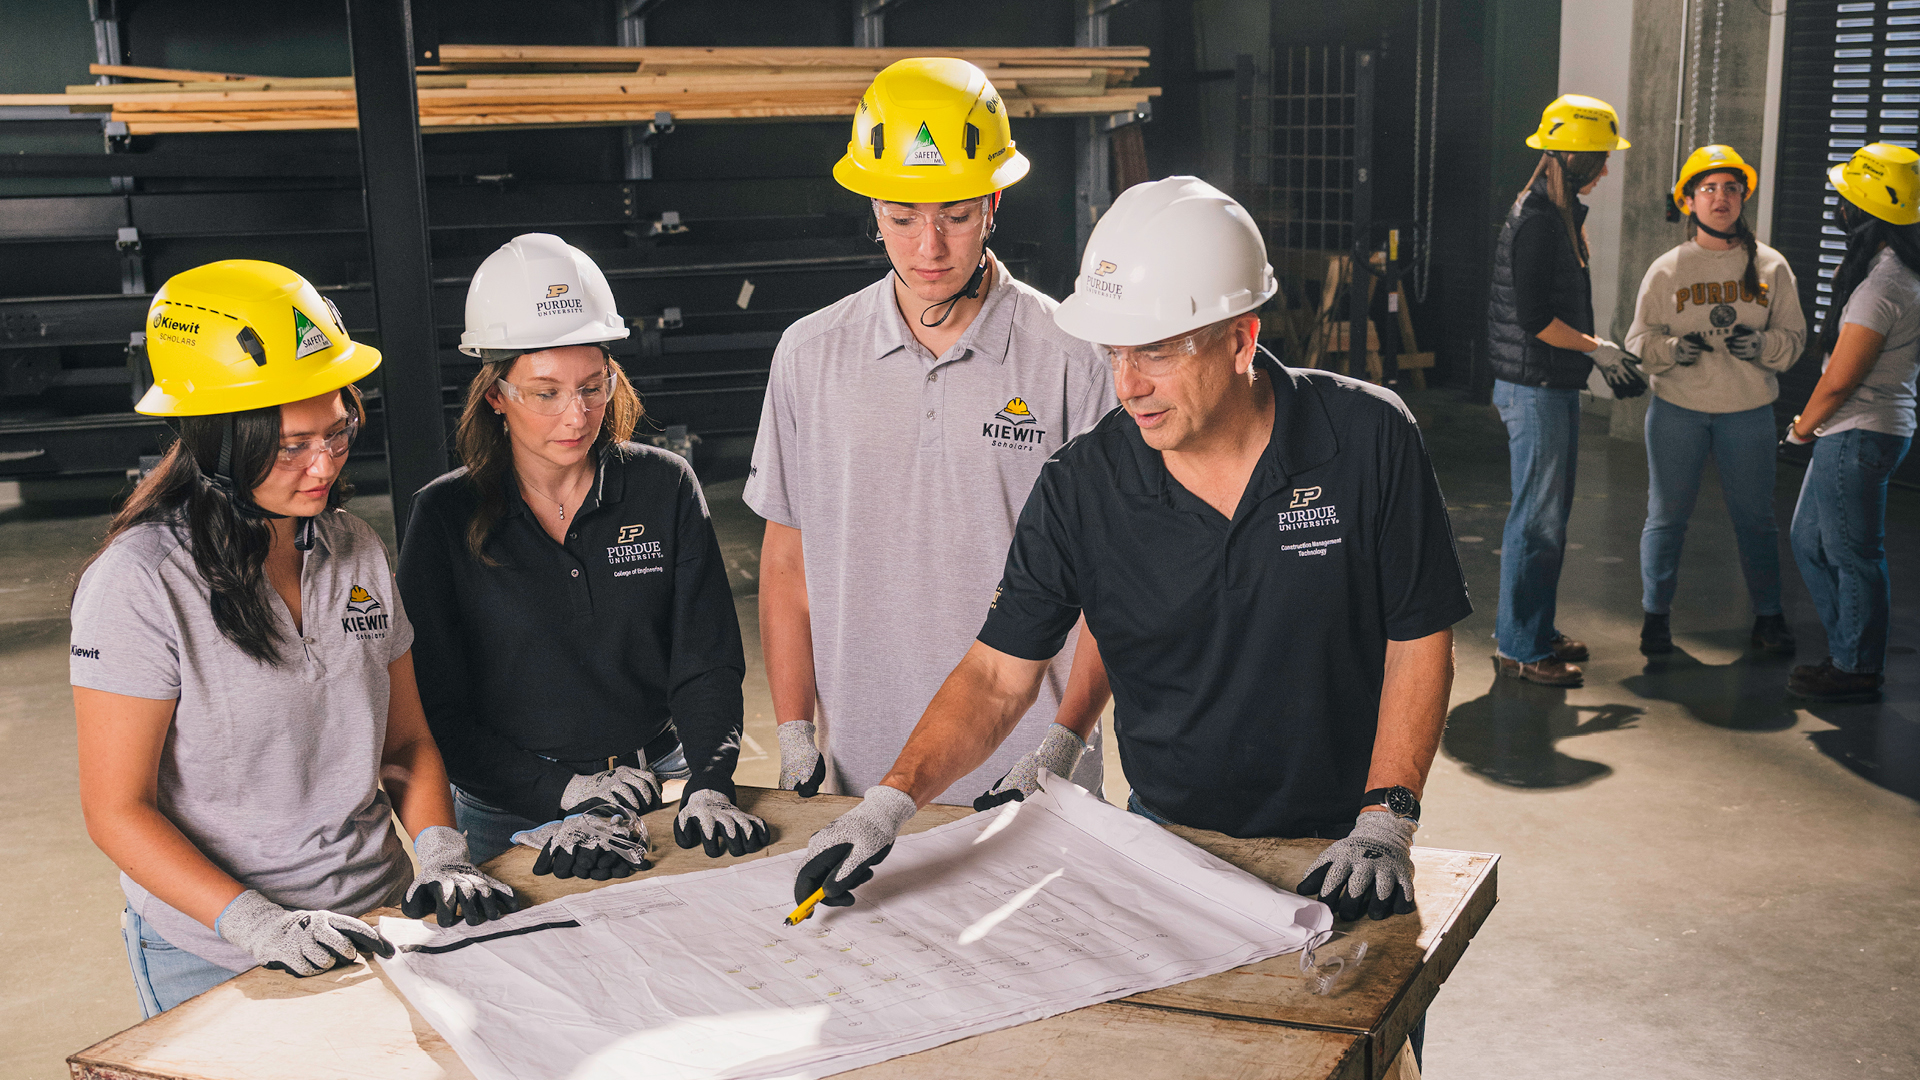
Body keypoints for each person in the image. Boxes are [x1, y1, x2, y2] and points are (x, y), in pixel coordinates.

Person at [790, 177, 1471, 934]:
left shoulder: (1369, 438)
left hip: (1347, 842)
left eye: (1155, 352)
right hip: (1163, 844)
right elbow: (994, 675)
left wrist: (1386, 818)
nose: (1129, 386)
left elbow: (1418, 637)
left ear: (1241, 337)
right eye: (1114, 353)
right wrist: (887, 805)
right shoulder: (1084, 486)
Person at [72, 260, 513, 1018]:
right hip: (213, 953)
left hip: (375, 920)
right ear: (215, 440)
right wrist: (256, 922)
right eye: (289, 446)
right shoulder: (140, 583)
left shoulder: (354, 549)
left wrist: (440, 853)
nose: (323, 465)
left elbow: (405, 744)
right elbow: (118, 809)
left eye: (337, 432)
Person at [747, 57, 1118, 809]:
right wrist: (793, 730)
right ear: (872, 205)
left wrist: (1064, 738)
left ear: (994, 198)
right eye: (902, 217)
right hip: (864, 773)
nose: (929, 248)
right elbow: (789, 562)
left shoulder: (1074, 358)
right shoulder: (810, 355)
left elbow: (1114, 583)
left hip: (1036, 776)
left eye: (953, 215)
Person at [400, 233, 768, 871]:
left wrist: (710, 780)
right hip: (512, 808)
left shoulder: (663, 486)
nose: (577, 415)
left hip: (659, 786)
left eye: (594, 387)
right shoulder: (444, 516)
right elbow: (437, 708)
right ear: (496, 395)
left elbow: (705, 661)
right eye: (546, 393)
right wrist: (558, 795)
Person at [1487, 94, 1646, 687]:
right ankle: (1522, 648)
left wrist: (1592, 352)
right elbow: (1534, 319)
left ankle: (1532, 627)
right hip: (1534, 389)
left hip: (1548, 385)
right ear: (1578, 159)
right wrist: (1597, 348)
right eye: (1602, 157)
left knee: (1549, 517)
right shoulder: (1537, 222)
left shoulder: (1556, 215)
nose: (1607, 168)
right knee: (1537, 522)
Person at [1625, 144, 1805, 656]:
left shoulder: (1770, 266)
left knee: (1755, 519)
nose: (1720, 197)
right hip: (1677, 411)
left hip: (1746, 412)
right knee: (1666, 517)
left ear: (1743, 196)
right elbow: (1638, 340)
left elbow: (1793, 337)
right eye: (1708, 189)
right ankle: (1655, 618)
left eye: (1730, 188)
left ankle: (1769, 617)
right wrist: (1672, 350)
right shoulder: (1667, 269)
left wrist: (1764, 346)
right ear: (1688, 201)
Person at [1781, 143, 1920, 702]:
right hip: (1862, 431)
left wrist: (1799, 429)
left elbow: (1839, 380)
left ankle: (1857, 666)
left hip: (1858, 432)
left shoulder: (1883, 287)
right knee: (1810, 541)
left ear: (1861, 210)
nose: (1839, 209)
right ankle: (1849, 649)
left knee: (1854, 555)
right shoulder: (1893, 273)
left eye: (1844, 201)